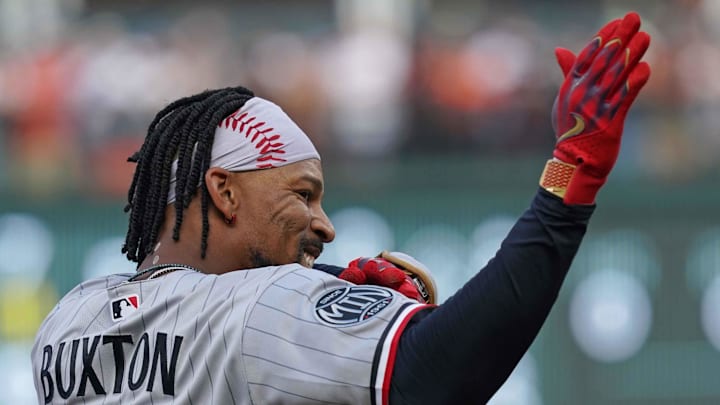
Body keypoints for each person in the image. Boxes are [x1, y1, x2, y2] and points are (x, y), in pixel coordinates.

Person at [31, 11, 651, 404]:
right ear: (223, 192)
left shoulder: (66, 321)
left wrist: (326, 287)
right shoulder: (260, 306)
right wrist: (571, 178)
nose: (324, 225)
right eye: (301, 195)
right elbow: (439, 375)